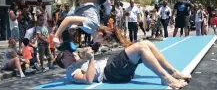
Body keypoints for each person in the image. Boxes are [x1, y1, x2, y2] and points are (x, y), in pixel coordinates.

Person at [55, 28, 190, 89]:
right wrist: (91, 59)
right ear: (63, 61)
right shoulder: (71, 71)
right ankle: (166, 79)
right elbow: (88, 79)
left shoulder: (77, 60)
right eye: (67, 53)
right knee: (141, 48)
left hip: (114, 66)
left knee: (147, 44)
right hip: (111, 72)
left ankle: (173, 72)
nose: (70, 53)